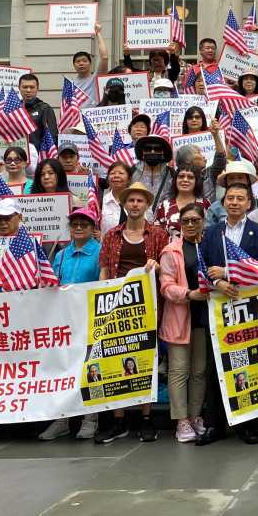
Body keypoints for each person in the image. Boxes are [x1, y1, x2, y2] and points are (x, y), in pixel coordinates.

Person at [96, 182, 168, 443]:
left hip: (148, 306)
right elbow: (104, 268)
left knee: (146, 360)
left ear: (146, 205)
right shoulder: (112, 235)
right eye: (131, 201)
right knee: (118, 360)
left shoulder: (158, 234)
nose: (135, 205)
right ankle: (119, 419)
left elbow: (168, 266)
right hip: (117, 307)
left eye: (140, 201)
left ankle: (146, 418)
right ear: (125, 204)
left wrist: (157, 265)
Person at [38, 207, 102, 442]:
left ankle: (90, 419)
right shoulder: (61, 255)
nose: (78, 228)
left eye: (84, 225)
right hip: (65, 321)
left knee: (91, 369)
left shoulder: (100, 252)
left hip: (90, 319)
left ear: (93, 228)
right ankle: (61, 419)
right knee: (64, 369)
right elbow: (54, 283)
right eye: (74, 224)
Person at [159, 203, 213, 444]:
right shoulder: (172, 250)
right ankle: (181, 420)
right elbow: (166, 287)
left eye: (195, 220)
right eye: (186, 221)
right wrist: (189, 294)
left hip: (205, 316)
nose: (190, 224)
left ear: (203, 221)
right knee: (179, 371)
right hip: (180, 316)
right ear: (180, 224)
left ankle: (195, 416)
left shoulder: (210, 246)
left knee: (199, 371)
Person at [153, 164, 208, 237]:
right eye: (181, 176)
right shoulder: (164, 205)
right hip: (171, 248)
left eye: (190, 177)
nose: (185, 180)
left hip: (200, 248)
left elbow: (211, 232)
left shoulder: (205, 203)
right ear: (175, 180)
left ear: (196, 181)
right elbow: (156, 234)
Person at [131, 135, 175, 209]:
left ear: (163, 153)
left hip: (163, 217)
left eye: (157, 149)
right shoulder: (131, 171)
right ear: (142, 153)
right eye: (148, 149)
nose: (152, 151)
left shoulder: (172, 174)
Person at [17, 73, 59, 149]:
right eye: (25, 87)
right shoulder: (13, 109)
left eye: (32, 87)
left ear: (37, 88)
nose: (28, 90)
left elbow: (52, 137)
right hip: (17, 157)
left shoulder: (45, 109)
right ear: (19, 88)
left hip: (38, 156)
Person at [99, 161, 132, 234]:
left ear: (129, 179)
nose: (116, 176)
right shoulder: (101, 202)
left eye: (121, 173)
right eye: (112, 173)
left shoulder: (137, 201)